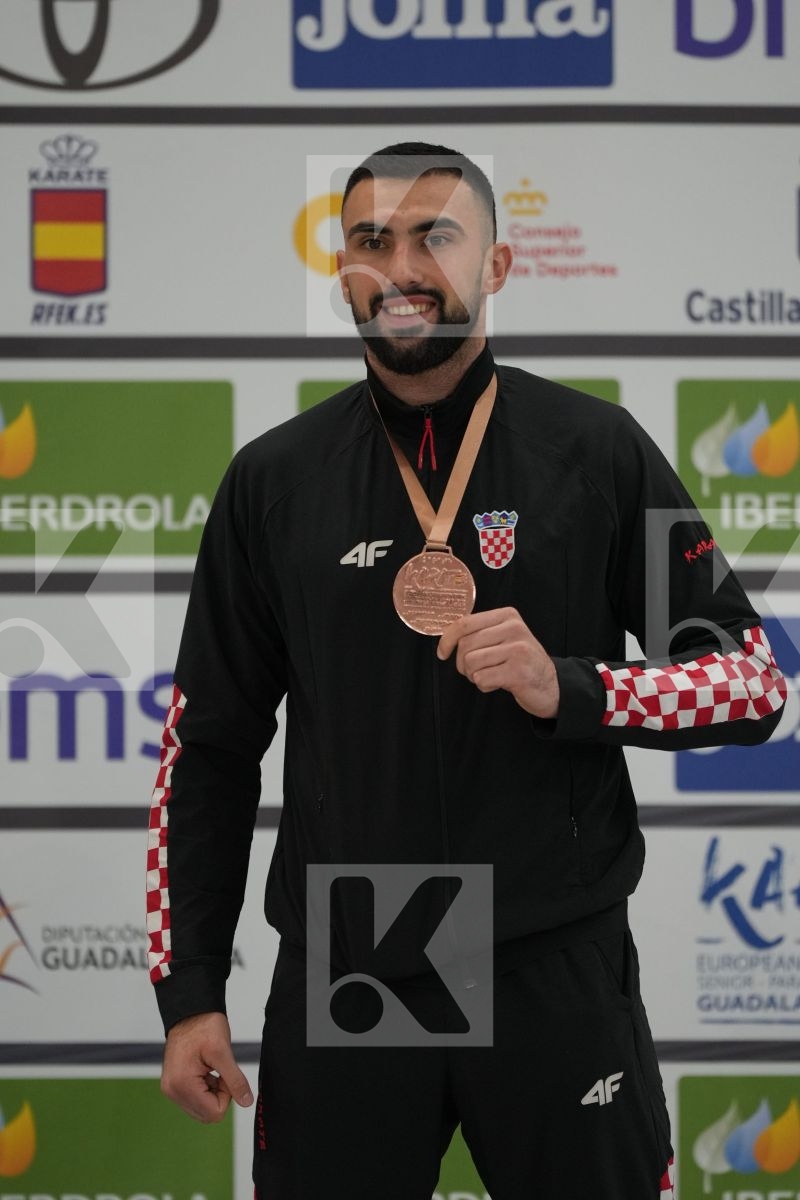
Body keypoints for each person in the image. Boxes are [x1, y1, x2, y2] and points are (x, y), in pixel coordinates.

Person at [147, 143, 786, 1199]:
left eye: (433, 236)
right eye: (367, 241)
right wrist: (189, 992)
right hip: (353, 958)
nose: (399, 266)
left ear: (495, 265)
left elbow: (750, 679)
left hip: (546, 950)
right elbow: (203, 752)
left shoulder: (595, 449)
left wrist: (571, 687)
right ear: (340, 271)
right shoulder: (273, 480)